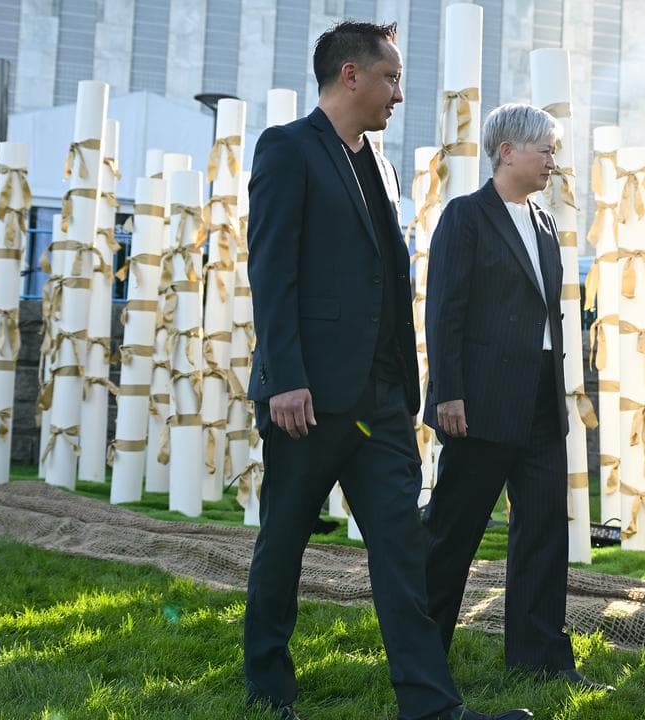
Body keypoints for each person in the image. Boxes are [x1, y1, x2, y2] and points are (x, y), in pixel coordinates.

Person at [244, 21, 532, 720]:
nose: (399, 94)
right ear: (350, 75)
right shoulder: (286, 150)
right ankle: (269, 690)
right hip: (307, 396)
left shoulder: (380, 163)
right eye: (391, 78)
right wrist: (286, 377)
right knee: (284, 540)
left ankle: (432, 707)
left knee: (404, 553)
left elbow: (388, 279)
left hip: (379, 400)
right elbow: (271, 270)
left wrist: (408, 390)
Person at [422, 103, 613, 693]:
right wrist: (447, 394)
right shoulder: (465, 217)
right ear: (507, 151)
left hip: (539, 402)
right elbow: (444, 311)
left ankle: (541, 659)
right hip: (477, 405)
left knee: (543, 533)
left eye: (554, 151)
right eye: (546, 151)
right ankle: (422, 657)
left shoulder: (545, 221)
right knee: (453, 533)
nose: (553, 162)